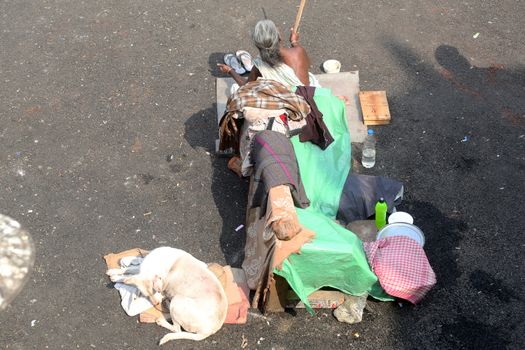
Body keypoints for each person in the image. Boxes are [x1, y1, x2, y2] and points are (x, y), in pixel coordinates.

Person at [218, 19, 320, 88]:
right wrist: (294, 42)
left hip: (288, 110)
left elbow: (245, 86)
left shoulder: (259, 66)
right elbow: (307, 64)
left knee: (236, 88)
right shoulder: (299, 51)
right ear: (279, 37)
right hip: (308, 101)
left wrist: (230, 70)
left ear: (258, 46)